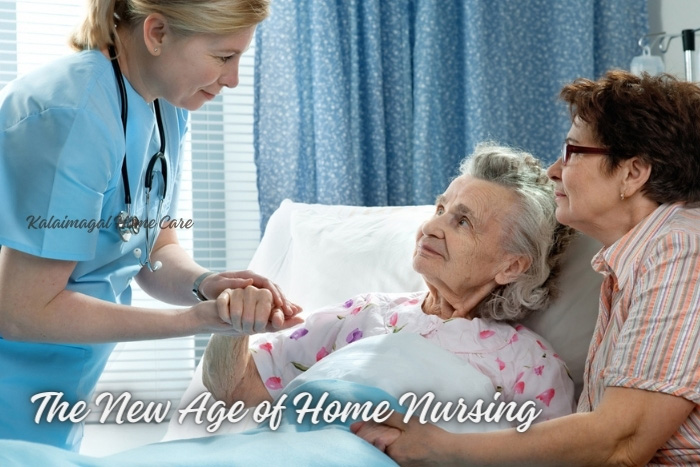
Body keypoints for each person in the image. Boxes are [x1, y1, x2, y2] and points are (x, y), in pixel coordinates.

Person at [353, 70, 700, 465]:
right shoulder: (632, 260)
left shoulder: (680, 248)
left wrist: (441, 446)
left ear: (632, 173)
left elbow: (623, 443)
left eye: (572, 151)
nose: (554, 170)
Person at [0, 0, 301, 452]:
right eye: (223, 57)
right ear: (157, 33)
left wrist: (206, 285)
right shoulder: (71, 114)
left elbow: (152, 249)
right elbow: (23, 312)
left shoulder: (163, 104)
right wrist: (194, 321)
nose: (233, 79)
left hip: (54, 391)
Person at [202, 143, 578, 426]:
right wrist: (233, 324)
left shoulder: (530, 365)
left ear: (511, 265)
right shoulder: (366, 315)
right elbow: (236, 389)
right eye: (441, 209)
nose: (432, 227)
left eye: (462, 222)